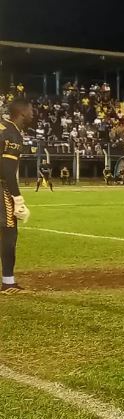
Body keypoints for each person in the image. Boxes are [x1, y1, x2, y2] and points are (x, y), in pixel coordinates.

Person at [0, 99, 33, 294]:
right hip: (1, 186)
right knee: (9, 232)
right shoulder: (12, 133)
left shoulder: (2, 126)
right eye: (31, 111)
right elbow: (7, 170)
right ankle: (8, 282)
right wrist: (18, 199)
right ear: (22, 113)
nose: (33, 114)